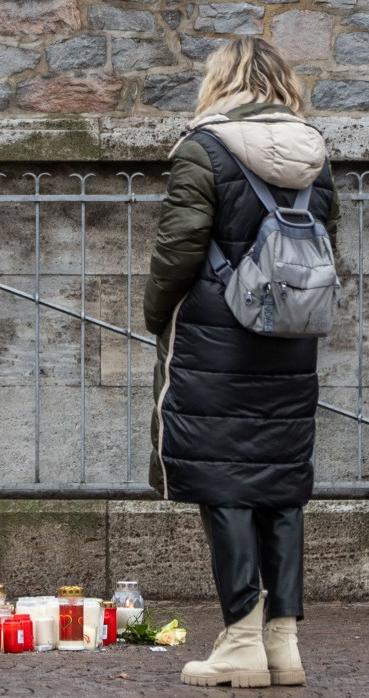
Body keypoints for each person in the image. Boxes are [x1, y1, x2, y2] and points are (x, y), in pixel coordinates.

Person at [144, 36, 338, 688]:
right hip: (290, 339)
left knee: (225, 483)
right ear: (280, 81)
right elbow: (326, 248)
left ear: (221, 80)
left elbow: (178, 248)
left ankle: (240, 641)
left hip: (215, 340)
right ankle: (283, 644)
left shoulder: (204, 148)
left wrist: (155, 314)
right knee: (280, 485)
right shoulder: (315, 157)